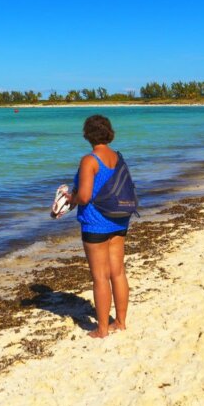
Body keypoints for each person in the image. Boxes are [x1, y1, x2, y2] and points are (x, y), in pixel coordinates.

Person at [65, 115, 131, 339]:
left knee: (100, 276)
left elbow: (84, 196)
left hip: (96, 222)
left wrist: (70, 198)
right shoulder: (116, 157)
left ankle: (102, 329)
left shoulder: (89, 160)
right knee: (118, 272)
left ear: (87, 134)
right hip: (119, 218)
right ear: (108, 132)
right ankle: (120, 322)